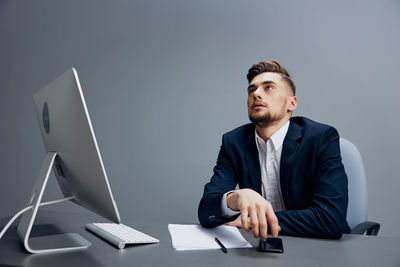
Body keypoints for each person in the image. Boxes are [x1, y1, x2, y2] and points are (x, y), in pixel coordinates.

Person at [198, 60, 351, 240]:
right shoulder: (234, 142)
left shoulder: (321, 138)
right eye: (251, 90)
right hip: (259, 247)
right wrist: (235, 198)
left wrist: (253, 220)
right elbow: (206, 211)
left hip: (317, 248)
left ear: (291, 103)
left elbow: (330, 220)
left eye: (268, 88)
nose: (256, 94)